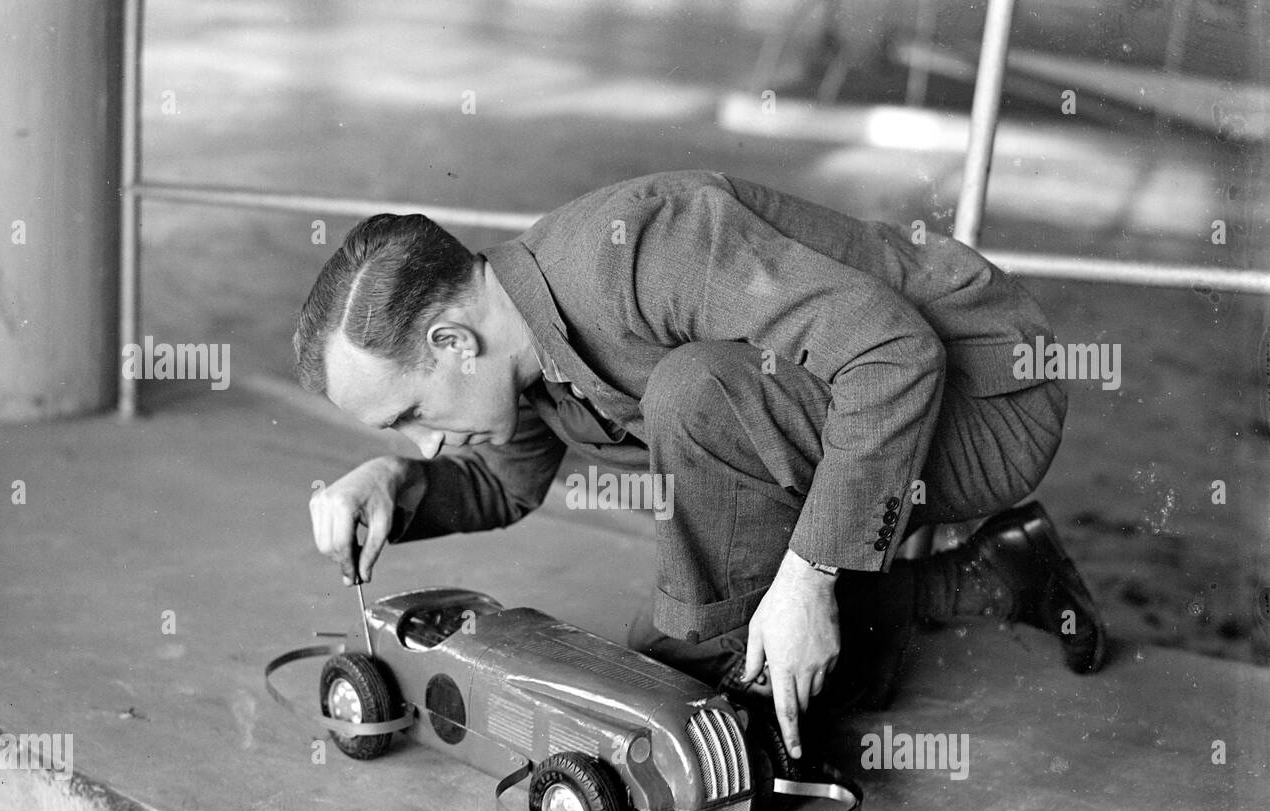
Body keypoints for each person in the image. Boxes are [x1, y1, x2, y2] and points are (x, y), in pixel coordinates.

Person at [296, 170, 1106, 764]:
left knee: (699, 410)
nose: (425, 441)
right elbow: (504, 482)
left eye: (409, 417)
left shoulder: (640, 250)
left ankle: (766, 715)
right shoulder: (518, 341)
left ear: (451, 342)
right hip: (863, 417)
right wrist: (395, 483)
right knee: (684, 636)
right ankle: (998, 573)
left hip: (983, 395)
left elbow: (894, 354)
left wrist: (811, 576)